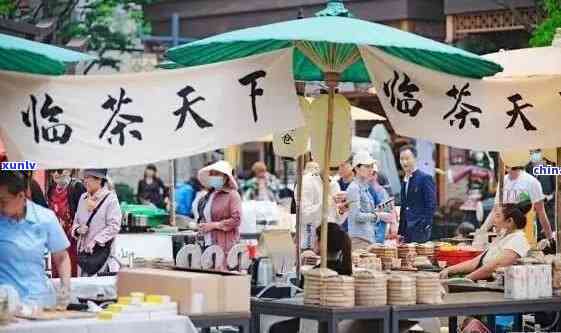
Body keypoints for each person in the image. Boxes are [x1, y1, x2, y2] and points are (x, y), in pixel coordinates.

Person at [0, 171, 71, 308]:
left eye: (3, 201)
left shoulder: (45, 218)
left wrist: (65, 286)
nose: (0, 206)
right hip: (4, 304)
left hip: (37, 301)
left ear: (21, 196)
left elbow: (61, 257)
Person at [269, 223, 352, 333]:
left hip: (315, 324)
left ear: (321, 243)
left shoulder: (314, 276)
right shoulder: (347, 273)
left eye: (316, 238)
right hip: (340, 325)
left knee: (276, 328)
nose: (314, 241)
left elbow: (301, 303)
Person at [441, 201, 531, 281]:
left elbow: (493, 267)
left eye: (498, 216)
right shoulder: (502, 238)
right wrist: (449, 270)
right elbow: (476, 262)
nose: (493, 220)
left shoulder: (518, 240)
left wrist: (466, 279)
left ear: (509, 221)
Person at [479, 164, 555, 252]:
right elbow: (495, 210)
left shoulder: (532, 182)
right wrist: (481, 232)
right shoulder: (503, 181)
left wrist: (550, 239)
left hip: (526, 237)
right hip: (504, 237)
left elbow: (541, 213)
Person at [72, 169, 121, 276]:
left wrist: (96, 241)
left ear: (99, 180)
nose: (84, 181)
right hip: (83, 256)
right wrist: (78, 230)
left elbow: (114, 226)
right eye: (84, 178)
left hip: (101, 256)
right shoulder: (83, 198)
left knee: (98, 290)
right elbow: (75, 222)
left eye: (88, 178)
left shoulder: (111, 199)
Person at [196, 161, 242, 266]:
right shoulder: (209, 195)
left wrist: (214, 225)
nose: (213, 176)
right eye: (211, 173)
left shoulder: (232, 195)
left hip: (224, 244)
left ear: (226, 177)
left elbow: (237, 219)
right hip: (207, 243)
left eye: (217, 174)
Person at [47, 169, 86, 277]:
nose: (55, 174)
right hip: (56, 237)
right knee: (56, 270)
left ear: (68, 171)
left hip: (72, 237)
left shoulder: (77, 187)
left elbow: (84, 213)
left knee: (71, 269)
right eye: (52, 171)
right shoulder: (51, 189)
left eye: (59, 171)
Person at [347, 150, 386, 249]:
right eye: (367, 166)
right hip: (359, 239)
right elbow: (356, 216)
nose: (371, 170)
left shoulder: (365, 188)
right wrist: (377, 215)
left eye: (372, 166)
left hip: (368, 238)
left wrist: (377, 213)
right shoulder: (354, 188)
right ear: (357, 168)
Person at [398, 145, 437, 243]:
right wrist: (401, 231)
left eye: (407, 158)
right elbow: (404, 206)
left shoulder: (425, 178)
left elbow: (431, 204)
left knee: (420, 258)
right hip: (406, 230)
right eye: (401, 159)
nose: (404, 162)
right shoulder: (405, 180)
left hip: (420, 229)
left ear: (415, 158)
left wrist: (425, 224)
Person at [525, 149, 556, 237]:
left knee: (549, 237)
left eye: (536, 151)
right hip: (533, 211)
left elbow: (557, 189)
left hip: (549, 209)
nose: (533, 154)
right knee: (535, 236)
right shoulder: (527, 168)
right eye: (531, 152)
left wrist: (547, 197)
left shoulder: (551, 167)